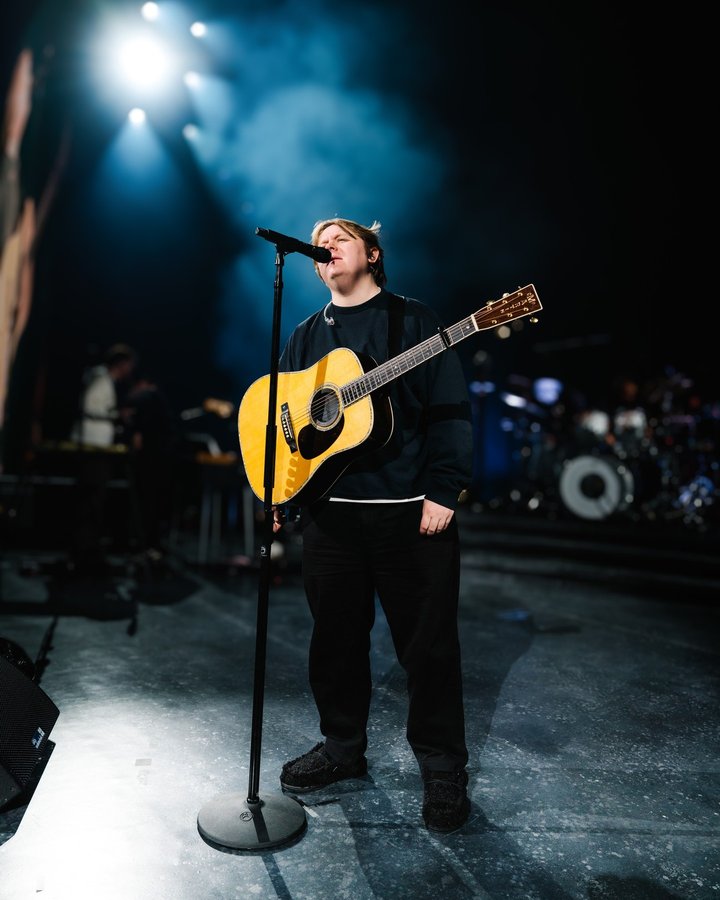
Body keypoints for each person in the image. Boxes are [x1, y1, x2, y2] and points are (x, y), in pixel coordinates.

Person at [271, 217, 474, 834]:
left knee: (429, 649)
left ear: (373, 253)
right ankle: (342, 749)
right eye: (319, 242)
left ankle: (442, 769)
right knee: (333, 644)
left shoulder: (413, 322)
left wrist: (443, 489)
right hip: (331, 521)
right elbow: (284, 415)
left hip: (411, 517)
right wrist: (283, 487)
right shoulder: (306, 335)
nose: (324, 246)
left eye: (340, 237)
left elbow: (450, 410)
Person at [67, 343, 137, 574]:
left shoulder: (102, 379)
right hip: (93, 447)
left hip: (97, 446)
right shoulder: (100, 379)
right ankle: (84, 553)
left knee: (93, 500)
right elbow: (89, 406)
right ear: (121, 364)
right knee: (91, 500)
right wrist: (116, 415)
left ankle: (86, 550)